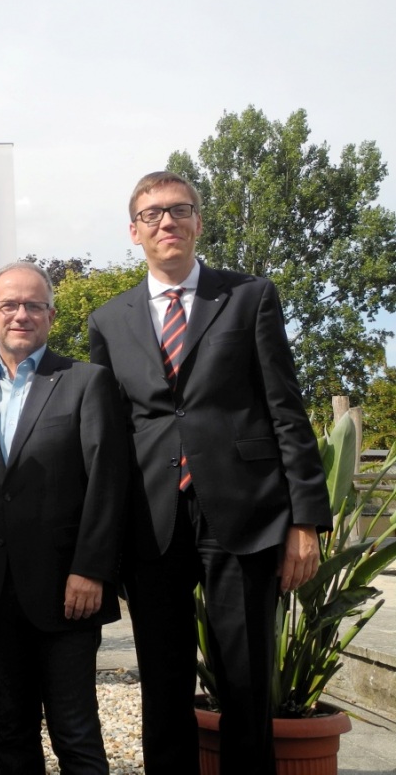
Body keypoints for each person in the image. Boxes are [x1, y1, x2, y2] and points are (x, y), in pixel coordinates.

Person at [88, 172, 332, 775]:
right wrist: (103, 540)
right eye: (152, 215)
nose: (165, 222)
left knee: (246, 685)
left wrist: (306, 520)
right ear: (134, 231)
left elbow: (286, 411)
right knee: (163, 689)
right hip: (151, 522)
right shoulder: (108, 320)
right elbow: (109, 440)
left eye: (179, 211)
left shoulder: (249, 297)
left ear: (198, 221)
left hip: (242, 515)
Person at [0, 262, 127, 774]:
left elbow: (109, 483)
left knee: (75, 734)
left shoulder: (85, 382)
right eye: (9, 305)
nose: (21, 314)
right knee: (11, 732)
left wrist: (92, 569)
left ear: (51, 315)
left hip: (66, 590)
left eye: (33, 305)